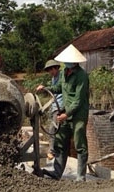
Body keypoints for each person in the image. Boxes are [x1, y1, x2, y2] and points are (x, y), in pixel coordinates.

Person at [36, 44, 89, 182]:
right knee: (60, 142)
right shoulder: (65, 72)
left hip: (78, 115)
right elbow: (59, 88)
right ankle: (57, 172)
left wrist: (67, 114)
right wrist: (46, 89)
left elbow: (78, 100)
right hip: (65, 112)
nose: (64, 63)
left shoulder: (82, 76)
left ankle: (81, 176)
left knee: (79, 144)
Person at [42, 59, 63, 160]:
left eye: (51, 70)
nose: (50, 72)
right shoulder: (53, 78)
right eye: (48, 71)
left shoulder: (62, 76)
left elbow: (58, 89)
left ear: (56, 68)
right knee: (52, 128)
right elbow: (53, 94)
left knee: (52, 129)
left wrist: (45, 88)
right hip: (55, 105)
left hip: (61, 106)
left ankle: (52, 151)